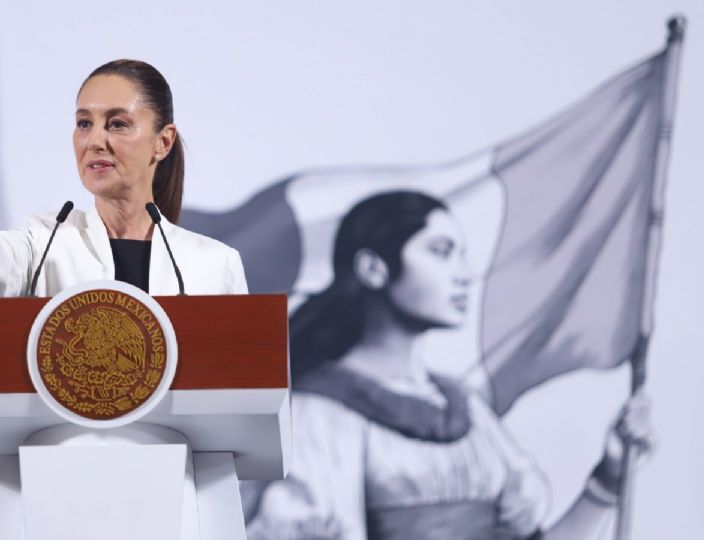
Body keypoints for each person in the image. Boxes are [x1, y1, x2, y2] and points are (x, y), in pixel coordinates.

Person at [242, 191, 654, 539]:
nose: (464, 274)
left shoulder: (467, 408)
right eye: (441, 252)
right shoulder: (321, 413)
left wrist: (607, 479)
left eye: (462, 254)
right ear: (373, 268)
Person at [0, 59, 247, 297]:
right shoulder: (47, 242)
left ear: (163, 141)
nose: (95, 141)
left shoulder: (214, 266)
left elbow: (243, 384)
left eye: (117, 123)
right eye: (84, 123)